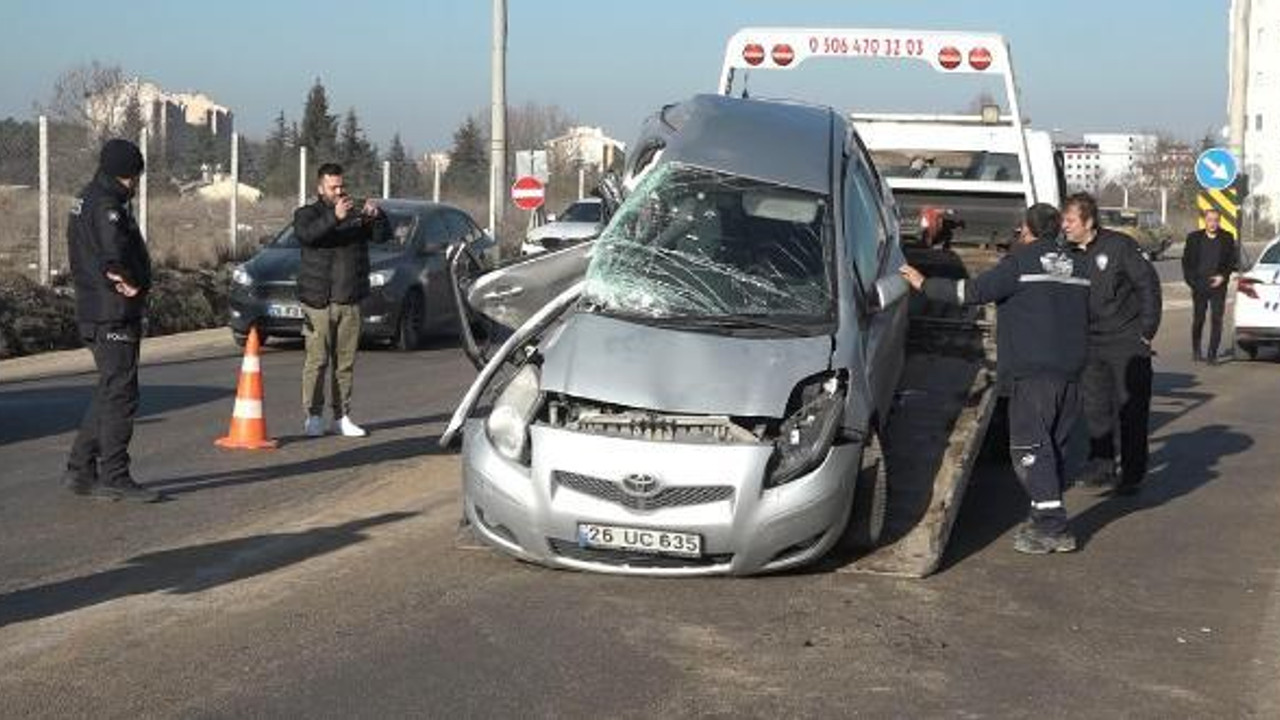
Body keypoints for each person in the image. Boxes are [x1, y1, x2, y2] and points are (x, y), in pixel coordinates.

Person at [901, 204, 1089, 554]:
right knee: (1054, 448)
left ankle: (1052, 528)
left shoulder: (1019, 264)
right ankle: (1043, 516)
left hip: (1032, 374)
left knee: (1030, 450)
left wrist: (923, 283)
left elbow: (969, 294)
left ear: (1028, 231)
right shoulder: (1080, 265)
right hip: (1071, 372)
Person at [63, 138, 162, 502]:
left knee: (109, 389)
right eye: (135, 175)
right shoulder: (108, 205)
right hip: (113, 313)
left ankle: (80, 470)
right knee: (122, 394)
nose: (136, 183)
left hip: (95, 310)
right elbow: (112, 255)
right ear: (127, 173)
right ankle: (115, 475)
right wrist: (128, 281)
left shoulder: (87, 197)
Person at [1061, 192, 1162, 496]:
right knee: (1095, 409)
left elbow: (1147, 285)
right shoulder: (1064, 253)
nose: (1065, 226)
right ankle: (1101, 466)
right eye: (1064, 220)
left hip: (1126, 342)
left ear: (1088, 221)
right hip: (1089, 343)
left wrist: (1147, 330)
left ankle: (1132, 473)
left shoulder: (1119, 246)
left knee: (1131, 410)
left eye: (1070, 220)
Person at [293, 163, 388, 438]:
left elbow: (382, 236)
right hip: (318, 301)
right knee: (317, 360)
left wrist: (376, 217)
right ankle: (313, 415)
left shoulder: (354, 213)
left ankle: (341, 416)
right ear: (320, 188)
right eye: (332, 187)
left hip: (349, 299)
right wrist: (334, 217)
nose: (338, 191)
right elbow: (307, 235)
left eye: (341, 186)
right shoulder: (307, 214)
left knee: (344, 363)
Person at [1181, 208, 1238, 363]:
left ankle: (1212, 355)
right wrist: (1192, 282)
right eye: (1210, 220)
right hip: (1199, 285)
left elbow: (1231, 262)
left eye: (1215, 220)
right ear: (1204, 221)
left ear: (1219, 221)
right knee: (1199, 319)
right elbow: (1186, 262)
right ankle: (1196, 350)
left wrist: (1223, 277)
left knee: (1217, 319)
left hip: (1218, 286)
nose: (1212, 223)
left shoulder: (1227, 238)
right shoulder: (1193, 238)